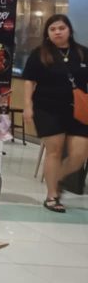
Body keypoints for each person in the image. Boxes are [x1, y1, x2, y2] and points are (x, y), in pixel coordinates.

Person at [22, 14, 88, 213]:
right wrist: (28, 106)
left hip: (78, 109)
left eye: (61, 28)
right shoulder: (40, 54)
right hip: (47, 108)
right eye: (52, 29)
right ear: (47, 33)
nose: (57, 32)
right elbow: (29, 80)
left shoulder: (82, 53)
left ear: (69, 30)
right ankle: (52, 195)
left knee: (79, 154)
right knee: (55, 151)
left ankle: (56, 177)